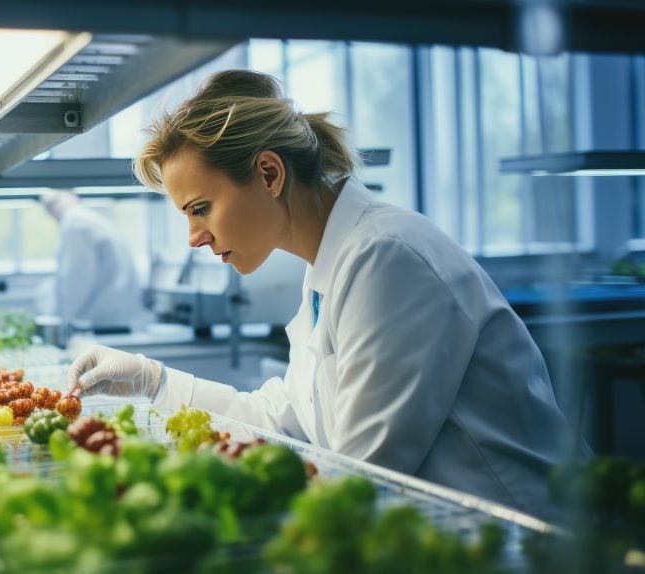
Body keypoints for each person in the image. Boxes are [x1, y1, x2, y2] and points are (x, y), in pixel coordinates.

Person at [67, 70, 580, 521]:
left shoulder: (386, 257)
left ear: (269, 174)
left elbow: (361, 472)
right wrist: (152, 381)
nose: (193, 237)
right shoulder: (329, 267)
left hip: (528, 542)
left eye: (200, 208)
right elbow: (286, 421)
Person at [40, 189, 145, 333]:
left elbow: (76, 279)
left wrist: (64, 321)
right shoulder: (89, 219)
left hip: (101, 322)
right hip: (116, 318)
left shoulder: (75, 224)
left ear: (53, 208)